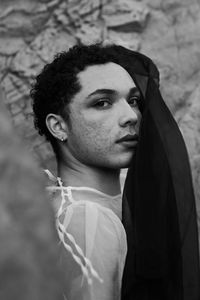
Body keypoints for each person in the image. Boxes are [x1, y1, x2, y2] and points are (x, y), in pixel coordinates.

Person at [31, 44, 200, 300]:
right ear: (59, 126)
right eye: (102, 103)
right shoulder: (87, 218)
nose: (130, 115)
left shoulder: (118, 193)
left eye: (133, 100)